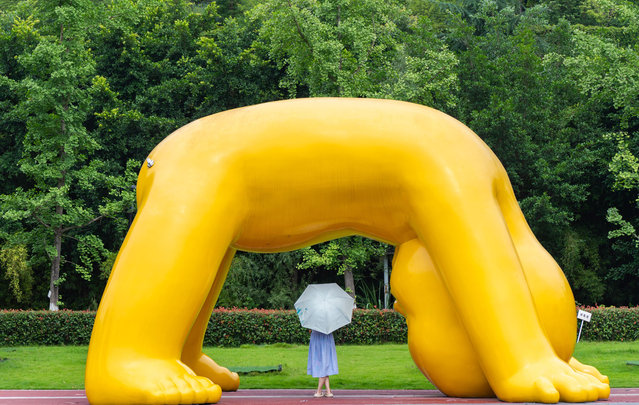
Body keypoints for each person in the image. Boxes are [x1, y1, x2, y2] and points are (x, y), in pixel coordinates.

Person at [307, 329, 338, 398]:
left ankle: (319, 391)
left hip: (317, 337)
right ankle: (328, 391)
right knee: (325, 363)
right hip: (326, 336)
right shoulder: (329, 321)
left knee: (323, 364)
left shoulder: (314, 320)